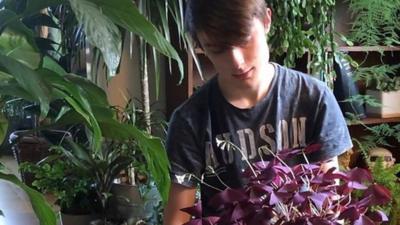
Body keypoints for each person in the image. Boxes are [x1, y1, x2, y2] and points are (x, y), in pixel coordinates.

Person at [163, 0, 353, 224]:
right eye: (218, 48)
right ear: (202, 47)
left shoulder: (314, 99)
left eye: (243, 39)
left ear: (266, 21)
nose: (237, 61)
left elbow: (328, 200)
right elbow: (178, 217)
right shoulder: (190, 120)